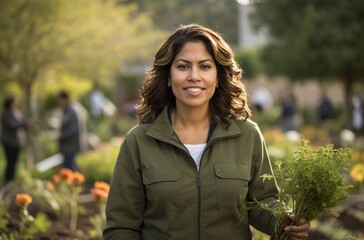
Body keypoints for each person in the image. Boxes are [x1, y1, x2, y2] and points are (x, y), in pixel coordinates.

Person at [104, 24, 310, 239]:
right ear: (167, 76)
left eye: (204, 66)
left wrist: (283, 220)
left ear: (218, 76)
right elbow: (121, 226)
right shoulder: (139, 141)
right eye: (183, 67)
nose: (194, 76)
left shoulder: (247, 135)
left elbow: (262, 203)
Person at [57, 91, 87, 171]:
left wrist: (61, 136)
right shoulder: (67, 111)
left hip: (72, 148)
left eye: (60, 100)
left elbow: (74, 129)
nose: (59, 102)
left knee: (71, 171)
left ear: (65, 99)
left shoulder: (72, 111)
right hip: (68, 148)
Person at [1, 96, 28, 183]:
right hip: (9, 142)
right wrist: (25, 124)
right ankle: (8, 180)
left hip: (17, 143)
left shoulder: (17, 113)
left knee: (14, 162)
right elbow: (13, 126)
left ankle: (12, 179)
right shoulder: (5, 114)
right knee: (10, 162)